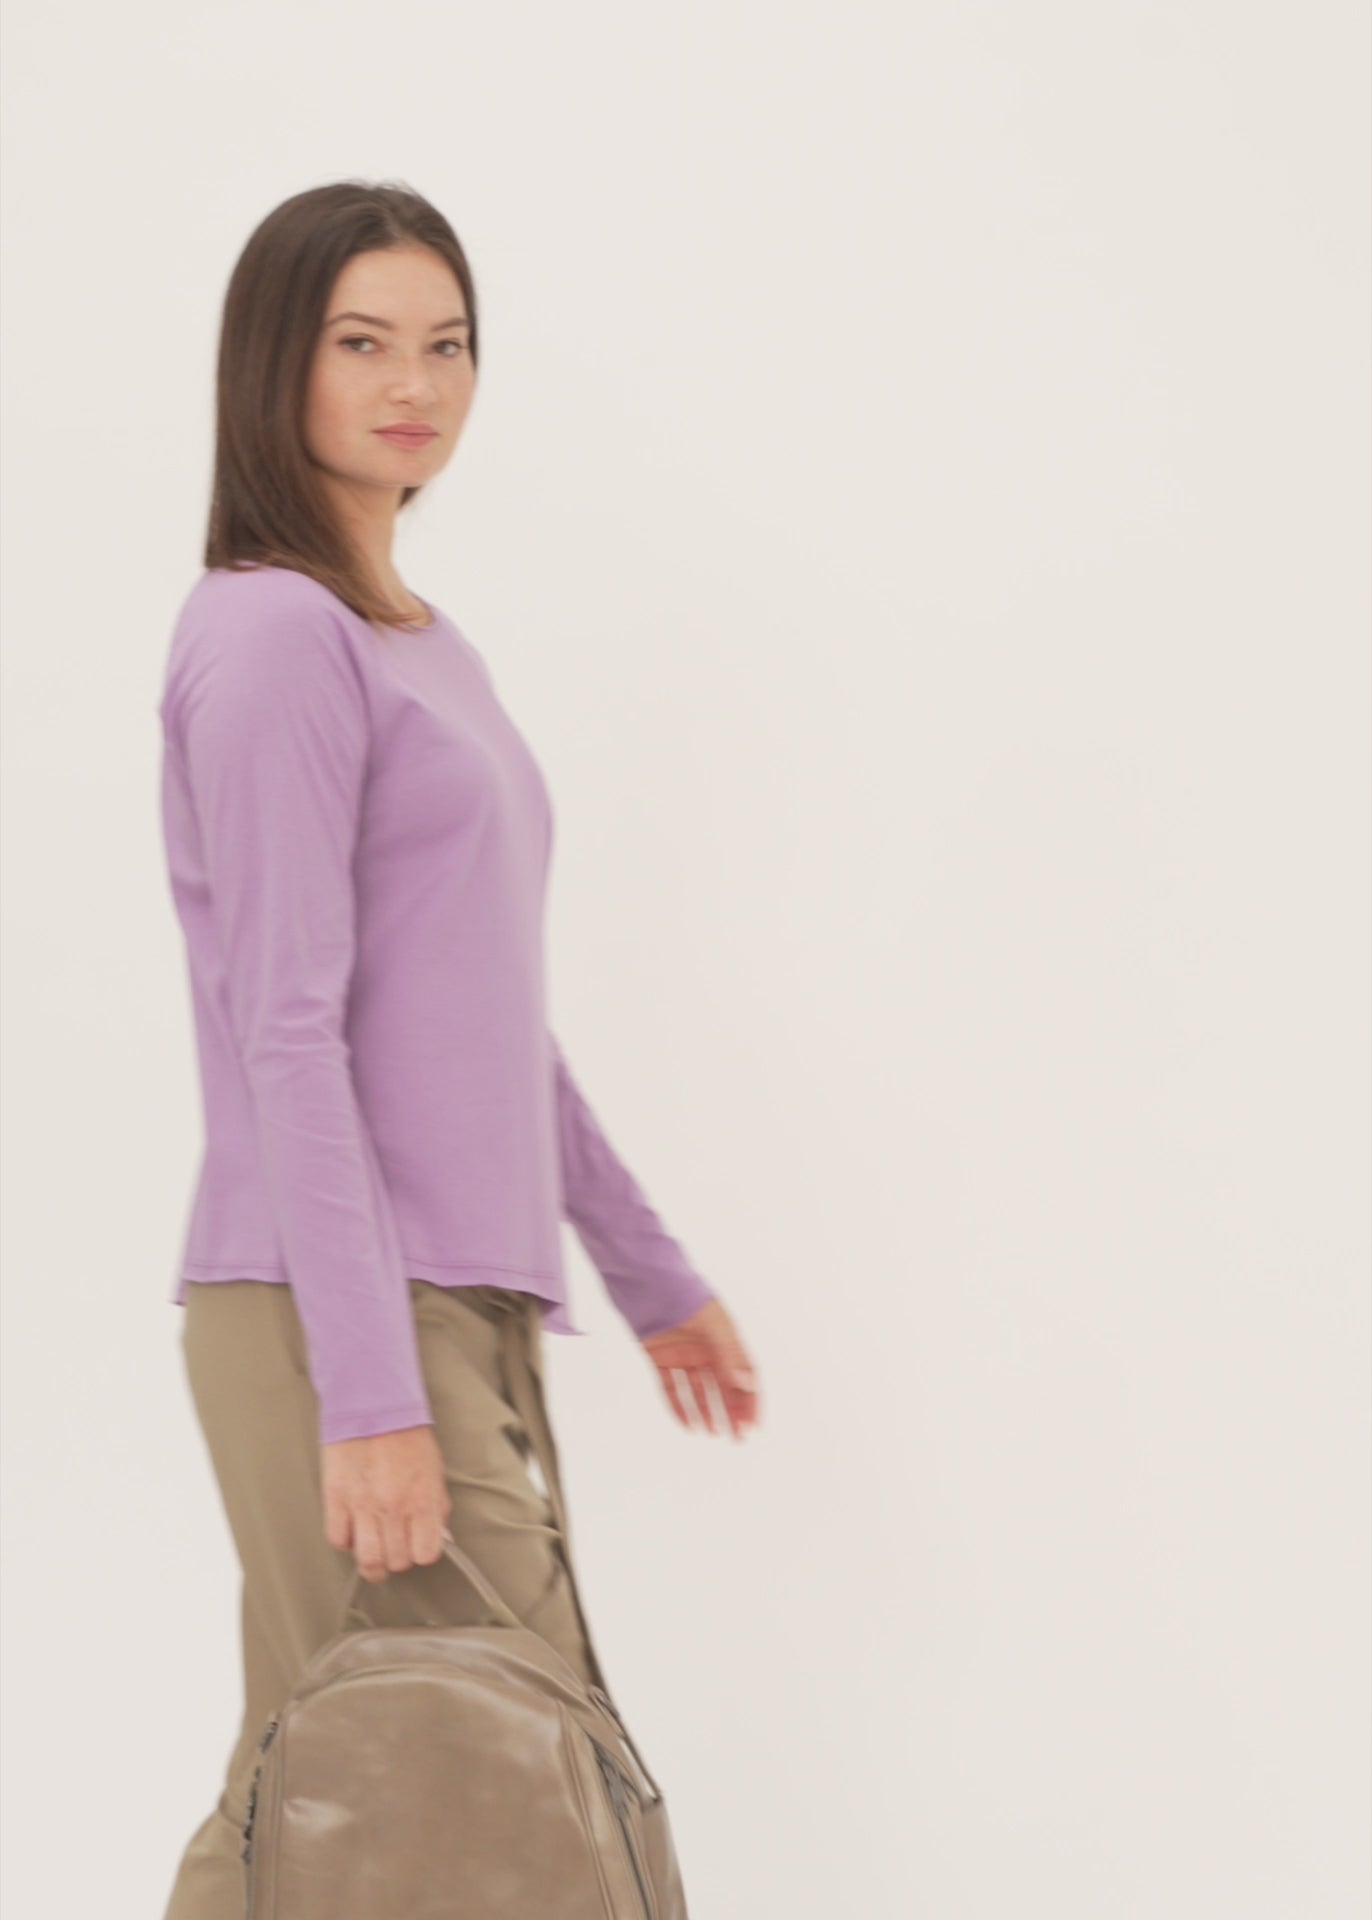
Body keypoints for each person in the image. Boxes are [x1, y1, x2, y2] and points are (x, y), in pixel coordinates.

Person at [157, 178, 761, 1920]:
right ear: (275, 363)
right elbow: (288, 1031)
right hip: (344, 1306)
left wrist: (650, 1275)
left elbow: (490, 1024)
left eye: (447, 344)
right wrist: (369, 1397)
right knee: (500, 1790)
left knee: (336, 1785)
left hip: (452, 1299)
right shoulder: (275, 633)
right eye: (362, 343)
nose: (414, 384)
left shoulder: (421, 645)